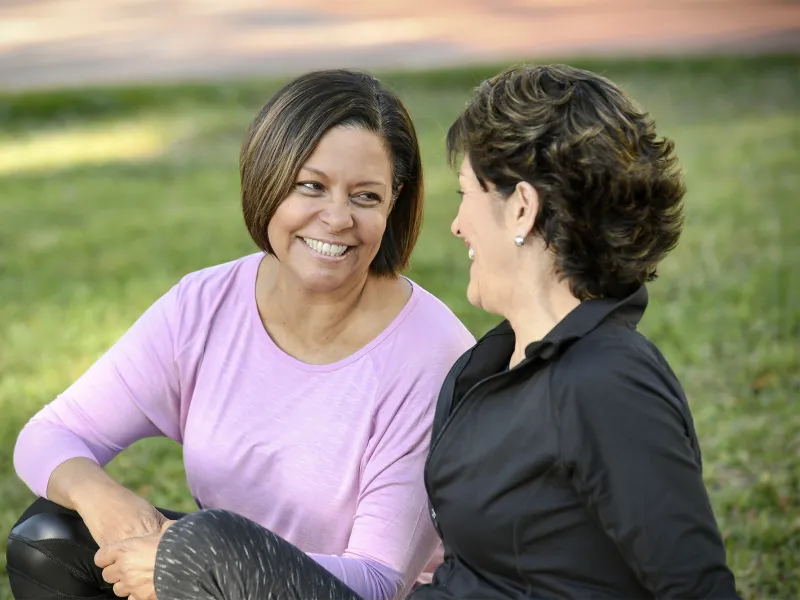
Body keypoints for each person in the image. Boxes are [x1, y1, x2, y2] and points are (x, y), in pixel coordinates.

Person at [120, 63, 742, 600]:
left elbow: (697, 586)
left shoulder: (608, 380)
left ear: (521, 208)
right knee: (61, 544)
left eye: (468, 194)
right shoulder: (494, 365)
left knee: (206, 544)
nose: (457, 225)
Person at [6, 69, 476, 600]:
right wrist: (107, 502)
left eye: (366, 196)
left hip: (339, 595)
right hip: (220, 579)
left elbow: (376, 583)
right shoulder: (205, 305)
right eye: (311, 186)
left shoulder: (432, 355)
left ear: (393, 204)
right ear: (267, 180)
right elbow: (48, 435)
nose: (338, 218)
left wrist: (191, 562)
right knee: (51, 540)